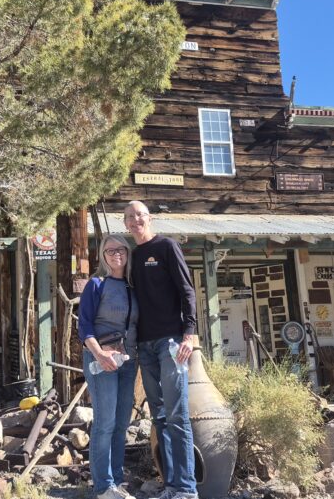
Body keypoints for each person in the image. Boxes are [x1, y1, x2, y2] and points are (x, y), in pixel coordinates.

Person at [124, 201, 198, 499]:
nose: (135, 220)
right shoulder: (132, 257)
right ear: (126, 224)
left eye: (139, 215)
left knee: (178, 416)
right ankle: (171, 486)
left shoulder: (166, 246)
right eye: (129, 217)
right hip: (145, 346)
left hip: (171, 344)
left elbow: (187, 290)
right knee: (160, 417)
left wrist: (189, 333)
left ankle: (187, 488)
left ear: (149, 218)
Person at [78, 234, 139, 499]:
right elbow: (84, 325)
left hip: (129, 360)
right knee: (105, 421)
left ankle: (116, 480)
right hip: (101, 359)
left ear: (127, 253)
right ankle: (103, 486)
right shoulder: (96, 284)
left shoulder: (133, 286)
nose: (116, 254)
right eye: (110, 250)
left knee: (122, 422)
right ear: (103, 255)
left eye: (121, 249)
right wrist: (100, 354)